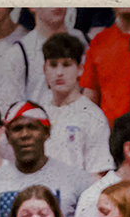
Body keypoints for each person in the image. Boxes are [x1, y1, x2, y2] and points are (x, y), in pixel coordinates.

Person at [0, 100, 93, 217]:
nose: (25, 134)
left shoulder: (77, 180)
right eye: (17, 129)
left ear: (46, 132)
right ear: (8, 136)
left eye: (32, 127)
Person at [42, 32, 111, 178]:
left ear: (80, 69)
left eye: (66, 65)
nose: (59, 72)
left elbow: (99, 172)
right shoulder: (38, 113)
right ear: (45, 70)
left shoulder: (93, 116)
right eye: (53, 65)